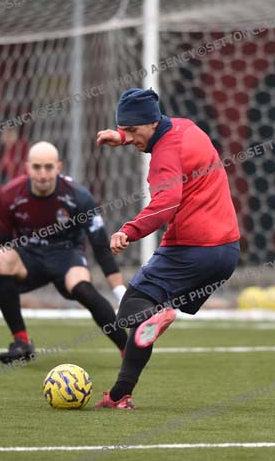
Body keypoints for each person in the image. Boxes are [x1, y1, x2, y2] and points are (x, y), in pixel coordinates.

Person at [93, 89, 240, 409]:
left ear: (151, 123)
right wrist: (123, 135)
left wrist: (128, 230)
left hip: (191, 249)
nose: (130, 137)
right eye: (125, 129)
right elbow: (150, 132)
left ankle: (157, 315)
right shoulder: (185, 127)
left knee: (132, 308)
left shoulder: (164, 155)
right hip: (226, 252)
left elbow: (166, 203)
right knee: (143, 318)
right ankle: (119, 396)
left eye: (132, 130)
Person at [0, 141, 128, 364]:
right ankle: (22, 343)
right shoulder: (8, 196)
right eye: (37, 167)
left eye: (48, 167)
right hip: (29, 255)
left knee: (82, 288)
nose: (42, 174)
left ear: (59, 167)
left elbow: (101, 247)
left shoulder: (79, 197)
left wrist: (120, 293)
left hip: (67, 254)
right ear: (27, 168)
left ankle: (127, 349)